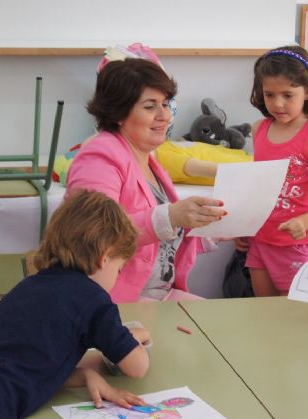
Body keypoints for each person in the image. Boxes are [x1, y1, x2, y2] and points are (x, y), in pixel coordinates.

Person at [0, 190, 152, 419]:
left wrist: (86, 375)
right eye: (119, 268)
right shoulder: (94, 300)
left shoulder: (29, 286)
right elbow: (137, 367)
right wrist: (136, 335)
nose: (117, 277)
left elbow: (31, 365)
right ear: (105, 257)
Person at [66, 58, 226, 303]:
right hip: (116, 299)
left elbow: (163, 237)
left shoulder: (148, 158)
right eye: (150, 106)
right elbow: (95, 235)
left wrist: (212, 226)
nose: (165, 116)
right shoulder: (99, 156)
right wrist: (171, 216)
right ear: (119, 112)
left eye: (165, 104)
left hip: (158, 293)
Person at [236, 45, 308, 296]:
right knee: (265, 315)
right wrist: (242, 227)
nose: (278, 104)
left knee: (294, 322)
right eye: (269, 94)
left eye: (288, 95)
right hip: (260, 241)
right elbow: (256, 188)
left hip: (298, 245)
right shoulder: (259, 128)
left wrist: (305, 222)